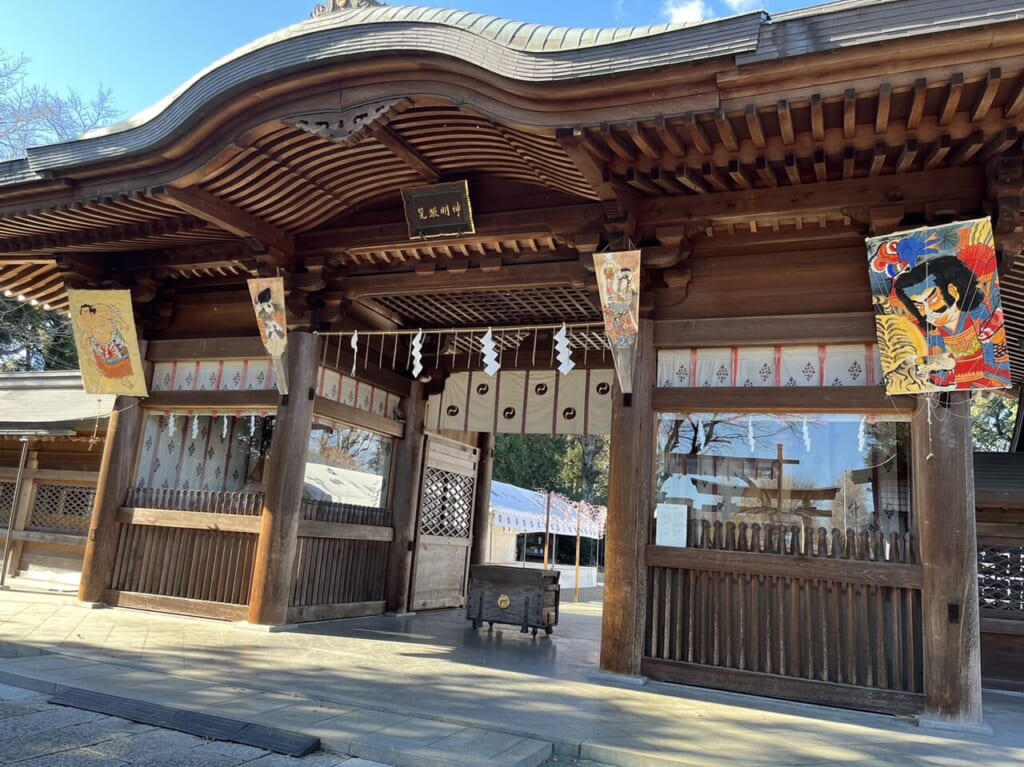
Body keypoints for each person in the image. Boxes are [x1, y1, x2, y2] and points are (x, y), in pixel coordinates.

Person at [892, 255, 1011, 389]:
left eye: (931, 299)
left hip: (989, 380)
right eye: (918, 306)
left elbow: (999, 365)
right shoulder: (932, 335)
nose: (926, 310)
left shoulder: (981, 316)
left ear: (952, 290)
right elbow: (938, 377)